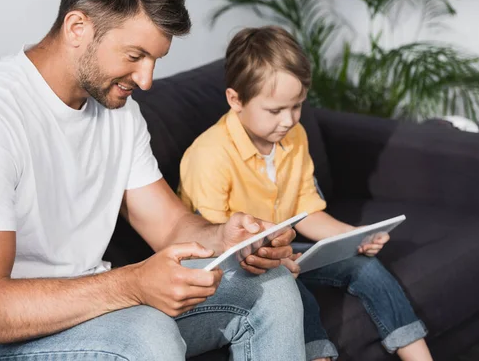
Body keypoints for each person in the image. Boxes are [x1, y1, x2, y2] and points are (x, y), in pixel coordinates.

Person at [0, 0, 307, 360]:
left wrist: (226, 237)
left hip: (92, 308)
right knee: (147, 336)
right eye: (135, 55)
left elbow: (169, 225)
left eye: (155, 60)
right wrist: (132, 284)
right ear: (77, 27)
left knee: (269, 285)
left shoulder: (118, 111)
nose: (146, 79)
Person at [178, 25, 433, 361]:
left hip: (286, 251)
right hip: (238, 268)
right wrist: (277, 261)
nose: (288, 121)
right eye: (275, 111)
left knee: (366, 265)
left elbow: (306, 210)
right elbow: (213, 249)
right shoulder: (209, 155)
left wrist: (353, 235)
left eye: (297, 106)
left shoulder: (293, 137)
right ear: (235, 99)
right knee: (290, 291)